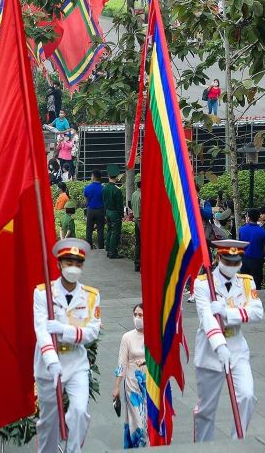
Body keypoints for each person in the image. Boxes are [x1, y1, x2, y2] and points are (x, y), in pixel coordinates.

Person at [34, 238, 101, 453]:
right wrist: (52, 361)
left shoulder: (91, 296)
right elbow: (42, 330)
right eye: (68, 263)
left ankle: (73, 450)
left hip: (76, 362)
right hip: (49, 365)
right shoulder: (43, 293)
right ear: (59, 264)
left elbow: (91, 332)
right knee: (49, 421)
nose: (73, 267)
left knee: (80, 412)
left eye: (78, 263)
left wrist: (64, 330)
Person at [193, 240, 263, 442]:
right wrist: (220, 346)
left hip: (237, 348)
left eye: (236, 262)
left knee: (247, 396)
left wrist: (227, 313)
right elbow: (206, 318)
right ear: (218, 258)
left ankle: (236, 443)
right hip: (210, 350)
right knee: (206, 410)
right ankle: (203, 446)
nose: (232, 266)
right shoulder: (203, 283)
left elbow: (257, 312)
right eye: (228, 262)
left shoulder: (247, 282)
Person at [112, 304, 147, 449]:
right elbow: (122, 363)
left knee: (148, 420)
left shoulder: (154, 335)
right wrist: (116, 386)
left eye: (141, 315)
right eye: (135, 315)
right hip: (132, 384)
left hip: (149, 383)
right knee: (137, 421)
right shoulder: (127, 337)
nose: (137, 318)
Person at [238, 208, 265, 287]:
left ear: (248, 217)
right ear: (258, 218)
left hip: (245, 259)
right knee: (256, 283)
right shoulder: (263, 231)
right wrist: (263, 256)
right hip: (257, 260)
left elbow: (240, 245)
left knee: (245, 283)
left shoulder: (242, 229)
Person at [102, 165, 124, 259]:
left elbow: (103, 202)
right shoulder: (117, 190)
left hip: (107, 212)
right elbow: (119, 205)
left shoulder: (104, 188)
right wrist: (122, 215)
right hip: (115, 213)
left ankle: (108, 249)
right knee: (115, 233)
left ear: (108, 175)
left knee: (109, 231)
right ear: (117, 176)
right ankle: (112, 252)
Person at [84, 169, 105, 250]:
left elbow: (86, 201)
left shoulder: (87, 188)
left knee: (89, 230)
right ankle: (101, 248)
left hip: (90, 210)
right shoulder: (103, 188)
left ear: (93, 176)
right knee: (100, 230)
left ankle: (89, 248)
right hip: (101, 210)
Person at [131, 180, 142, 272]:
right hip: (141, 220)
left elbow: (132, 205)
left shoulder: (134, 194)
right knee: (144, 243)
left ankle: (137, 264)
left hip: (136, 219)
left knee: (138, 243)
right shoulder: (142, 195)